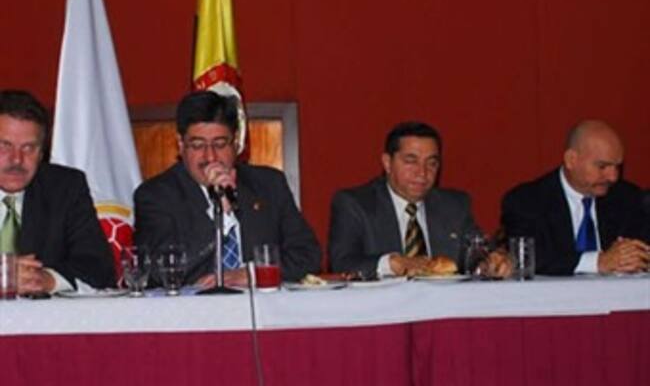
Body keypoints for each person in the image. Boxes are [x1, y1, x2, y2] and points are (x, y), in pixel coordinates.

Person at [134, 91, 321, 287]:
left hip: (262, 303)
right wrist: (219, 217)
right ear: (181, 145)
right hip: (195, 305)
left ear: (236, 142)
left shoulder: (269, 184)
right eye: (198, 145)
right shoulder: (155, 195)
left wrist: (253, 274)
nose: (210, 156)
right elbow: (158, 271)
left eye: (220, 144)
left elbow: (308, 255)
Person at [328, 121, 510, 278]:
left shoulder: (454, 206)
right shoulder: (356, 204)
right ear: (387, 163)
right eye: (411, 161)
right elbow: (342, 263)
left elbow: (478, 254)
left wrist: (492, 262)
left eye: (431, 163)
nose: (422, 173)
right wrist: (391, 264)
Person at [0, 90, 115, 294]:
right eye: (4, 146)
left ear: (42, 153)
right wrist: (5, 275)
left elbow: (99, 269)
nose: (17, 160)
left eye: (29, 148)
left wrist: (47, 280)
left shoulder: (64, 188)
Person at [501, 120, 650, 275]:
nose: (613, 177)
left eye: (617, 166)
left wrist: (637, 258)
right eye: (602, 166)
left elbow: (642, 246)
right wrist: (597, 262)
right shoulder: (526, 201)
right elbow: (527, 257)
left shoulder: (628, 198)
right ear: (571, 160)